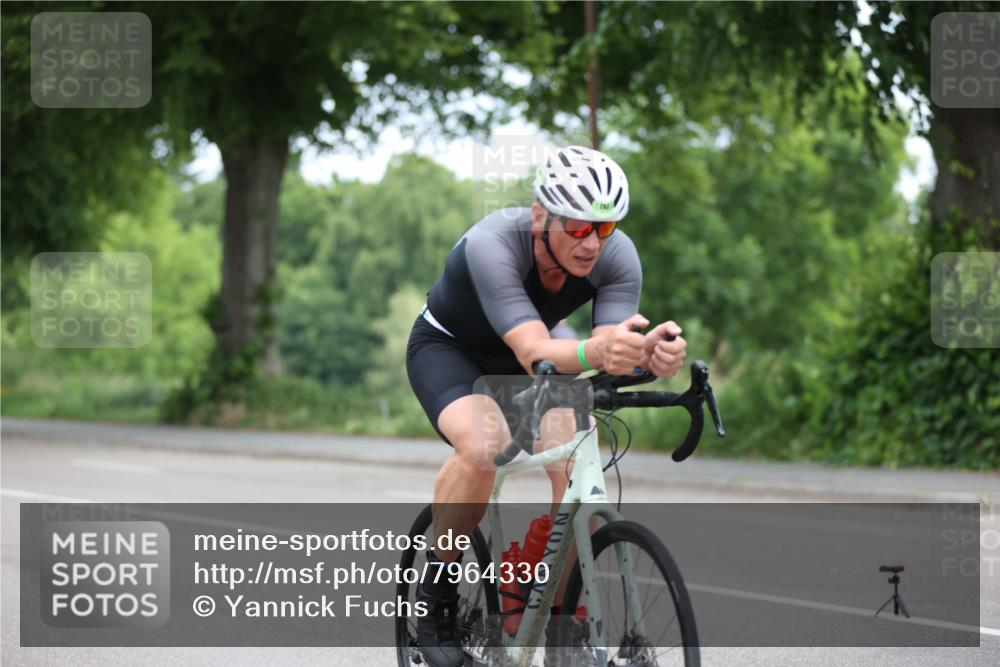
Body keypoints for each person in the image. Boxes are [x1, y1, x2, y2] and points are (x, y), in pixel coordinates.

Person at [405, 145, 687, 667]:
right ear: (541, 216)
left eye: (603, 229)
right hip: (452, 351)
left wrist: (651, 356)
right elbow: (535, 352)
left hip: (542, 355)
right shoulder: (492, 244)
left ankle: (541, 603)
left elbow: (608, 354)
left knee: (580, 459)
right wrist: (598, 352)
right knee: (483, 448)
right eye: (578, 228)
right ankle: (436, 604)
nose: (592, 244)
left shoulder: (617, 255)